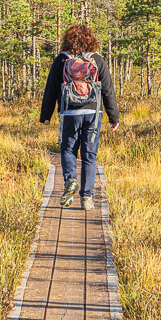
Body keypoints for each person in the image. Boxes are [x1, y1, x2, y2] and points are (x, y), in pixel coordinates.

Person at [39, 23, 119, 210]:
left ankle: (70, 180)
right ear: (91, 40)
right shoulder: (97, 59)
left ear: (68, 39)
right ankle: (87, 198)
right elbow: (108, 90)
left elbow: (51, 88)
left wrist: (46, 115)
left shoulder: (62, 59)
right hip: (93, 113)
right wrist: (113, 117)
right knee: (89, 155)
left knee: (68, 150)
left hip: (69, 112)